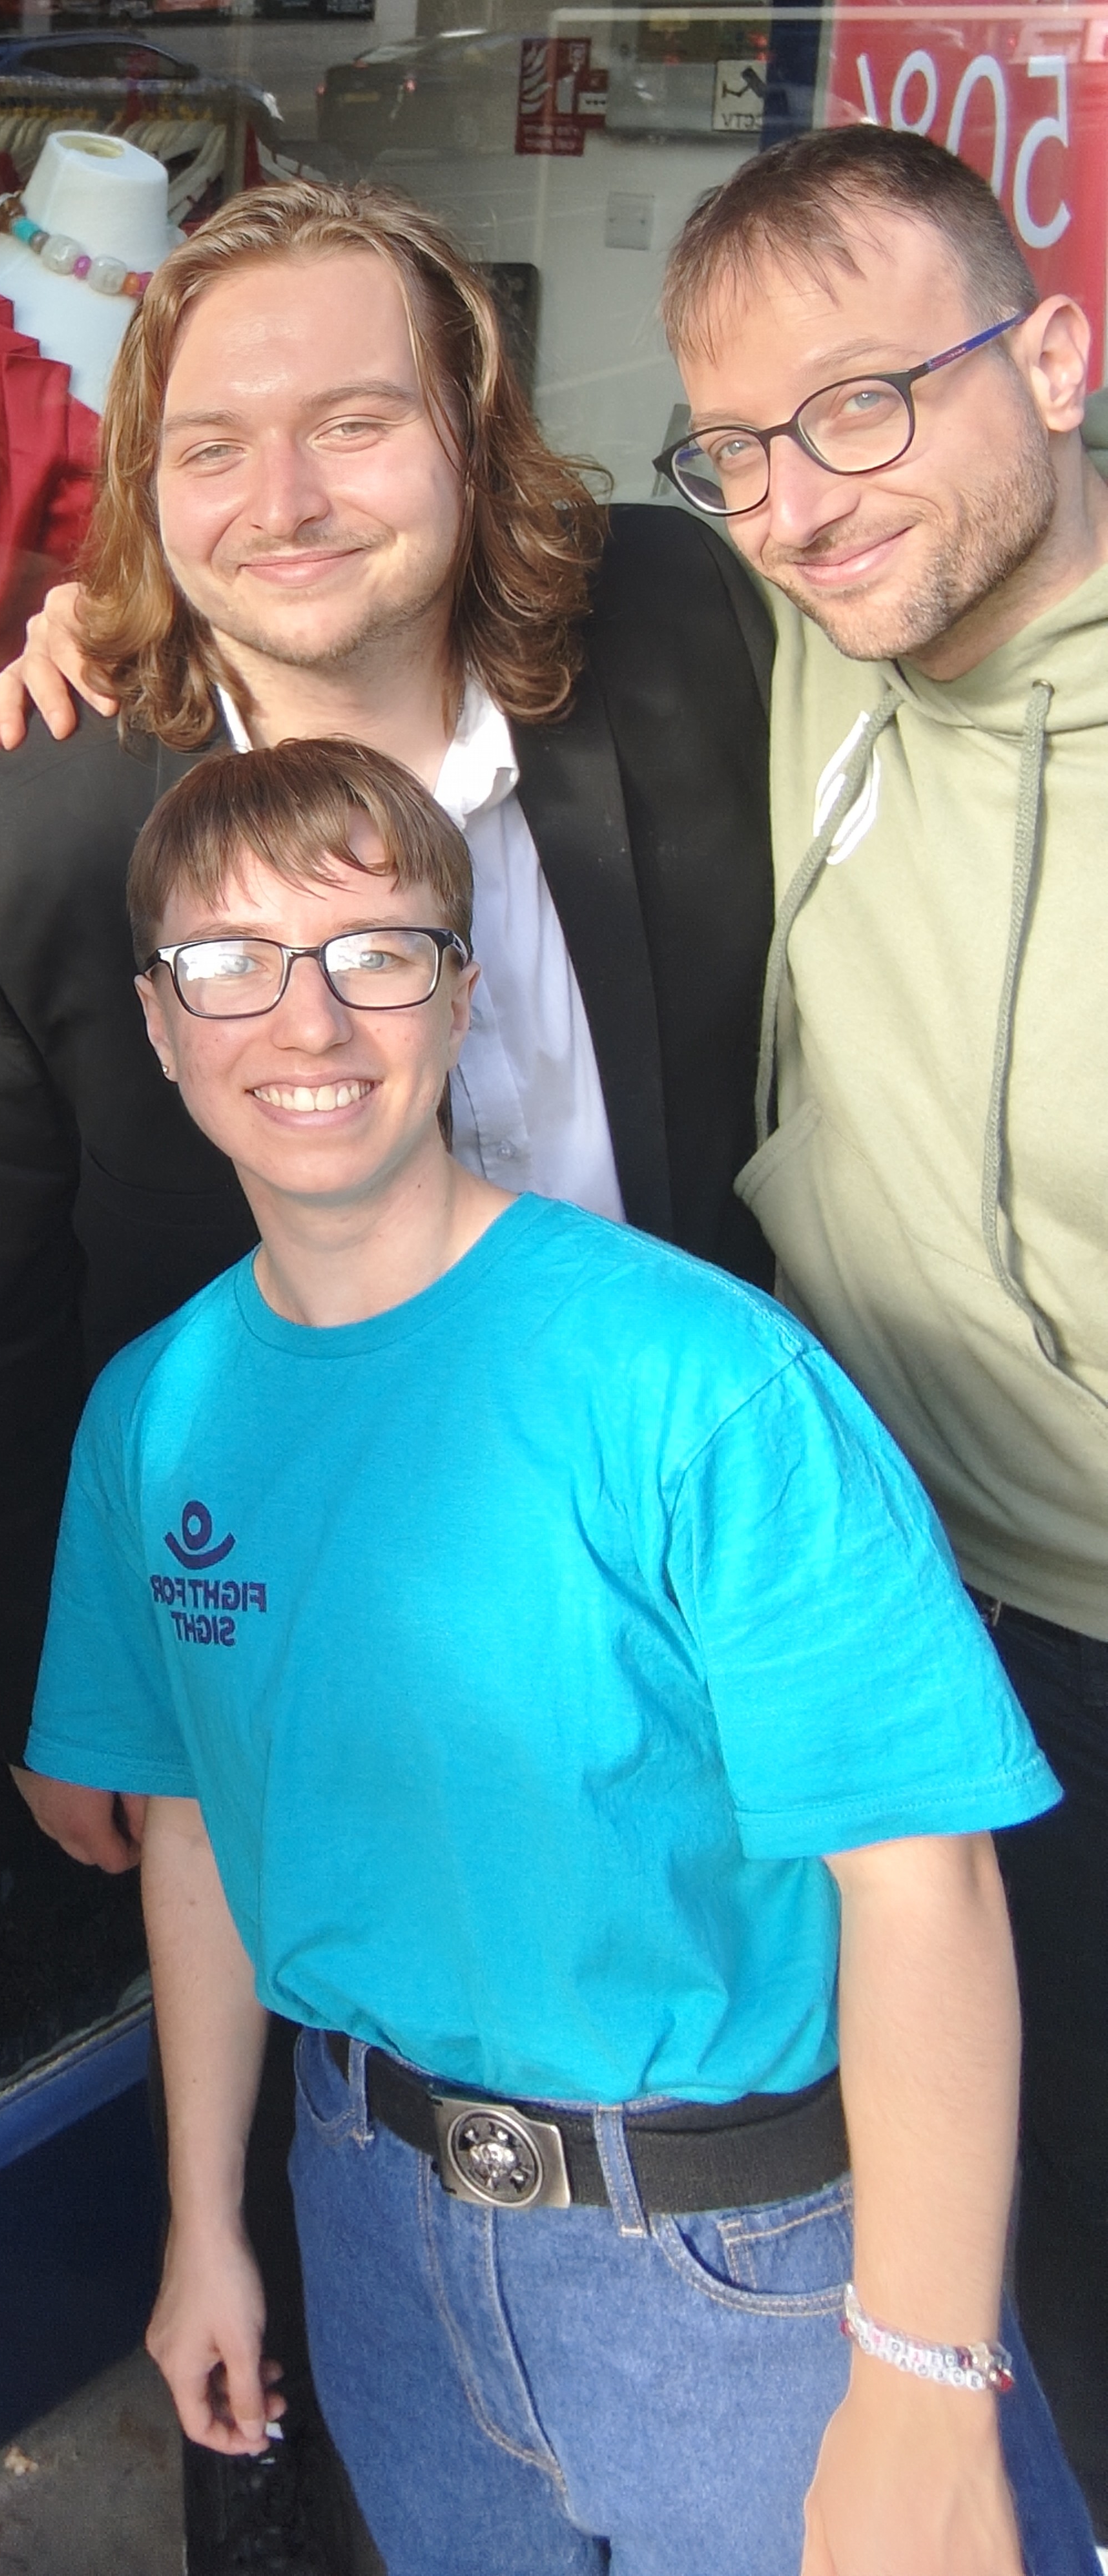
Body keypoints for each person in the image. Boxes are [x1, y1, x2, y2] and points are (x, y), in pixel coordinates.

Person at [0, 178, 775, 2572]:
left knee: (723, 2247)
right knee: (300, 2355)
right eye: (210, 449)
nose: (277, 503)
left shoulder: (683, 638)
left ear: (476, 443)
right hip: (297, 1709)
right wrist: (46, 1703)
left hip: (694, 1633)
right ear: (142, 502)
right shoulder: (48, 843)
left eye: (352, 424)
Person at [26, 733, 1091, 2576]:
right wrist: (207, 2219)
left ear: (462, 996)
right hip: (373, 2218)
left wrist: (923, 2374)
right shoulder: (155, 1417)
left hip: (741, 2257)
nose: (309, 1018)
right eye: (232, 964)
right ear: (158, 1021)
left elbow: (924, 1886)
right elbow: (193, 1833)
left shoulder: (703, 1382)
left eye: (377, 950)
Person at [652, 126, 1108, 2535]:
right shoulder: (792, 641)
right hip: (893, 1623)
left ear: (1047, 352)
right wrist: (126, 614)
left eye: (856, 406)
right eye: (730, 446)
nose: (792, 503)